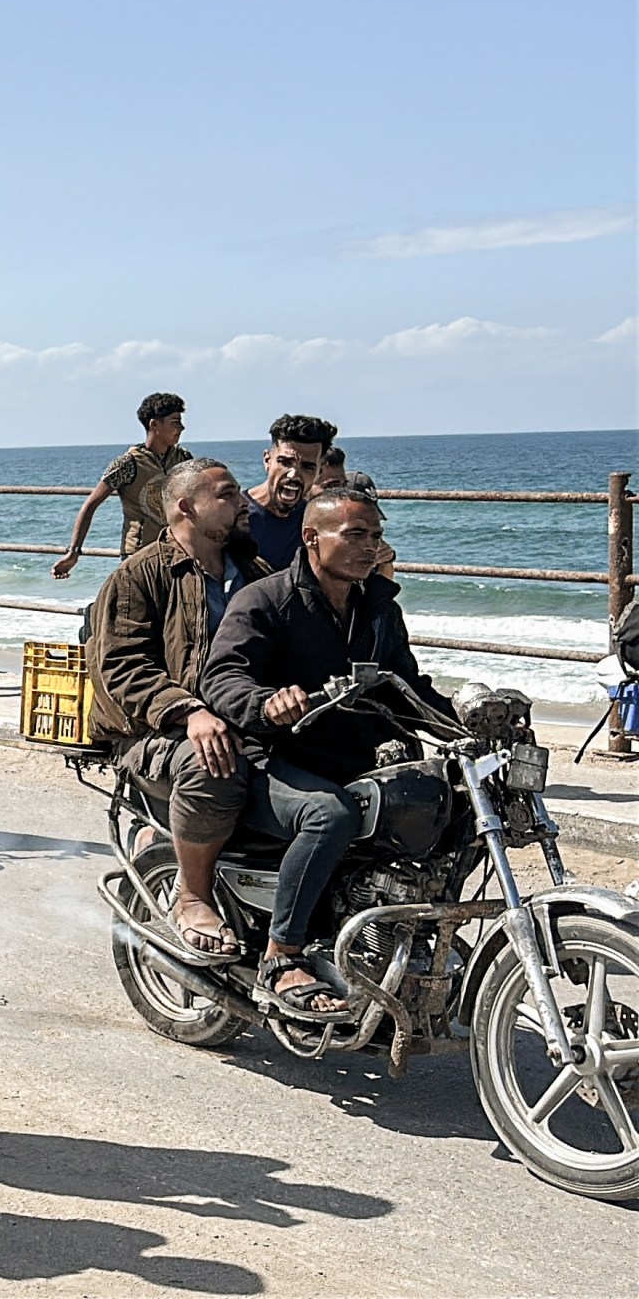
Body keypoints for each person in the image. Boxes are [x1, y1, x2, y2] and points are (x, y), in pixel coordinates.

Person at [201, 487, 453, 1018]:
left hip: (353, 758)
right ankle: (282, 954)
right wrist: (266, 703)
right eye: (355, 534)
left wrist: (466, 724)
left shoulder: (379, 609)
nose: (370, 546)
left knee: (446, 803)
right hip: (274, 760)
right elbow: (222, 678)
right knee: (330, 815)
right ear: (312, 538)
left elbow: (406, 686)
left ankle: (406, 933)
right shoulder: (265, 600)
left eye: (376, 535)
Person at [87, 459, 271, 960]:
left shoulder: (256, 574)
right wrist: (188, 711)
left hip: (242, 724)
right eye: (227, 495)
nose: (242, 503)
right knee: (213, 764)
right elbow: (120, 667)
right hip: (154, 732)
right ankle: (193, 897)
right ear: (187, 507)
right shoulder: (139, 575)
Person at [53, 392, 193, 578]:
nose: (181, 428)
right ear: (154, 425)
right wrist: (74, 553)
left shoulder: (183, 459)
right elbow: (90, 505)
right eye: (175, 422)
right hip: (138, 555)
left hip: (176, 552)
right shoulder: (128, 463)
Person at [240, 414, 337, 573]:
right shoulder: (235, 516)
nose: (293, 475)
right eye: (285, 462)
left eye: (307, 466)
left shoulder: (314, 520)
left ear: (320, 470)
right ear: (267, 460)